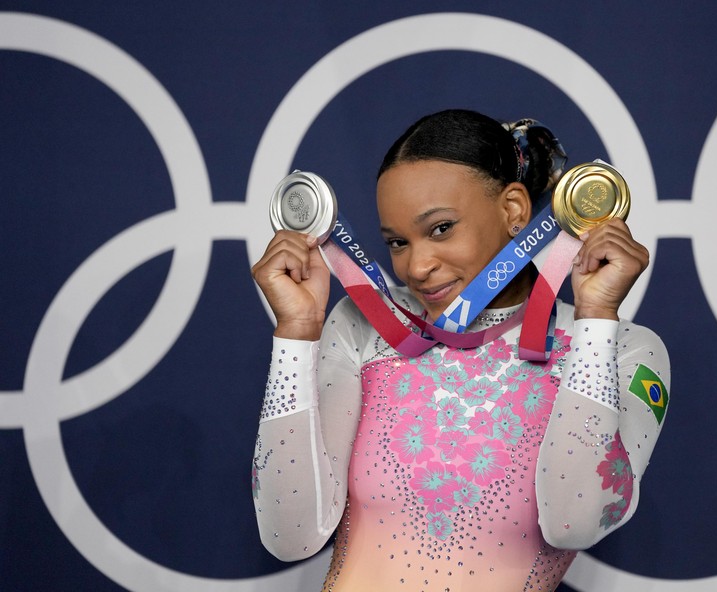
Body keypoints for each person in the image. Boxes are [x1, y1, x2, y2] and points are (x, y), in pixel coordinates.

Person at [250, 109, 670, 591]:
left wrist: (597, 320)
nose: (418, 266)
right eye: (397, 242)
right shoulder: (362, 327)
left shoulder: (626, 352)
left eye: (441, 228)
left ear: (514, 211)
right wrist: (296, 332)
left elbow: (575, 521)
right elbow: (290, 535)